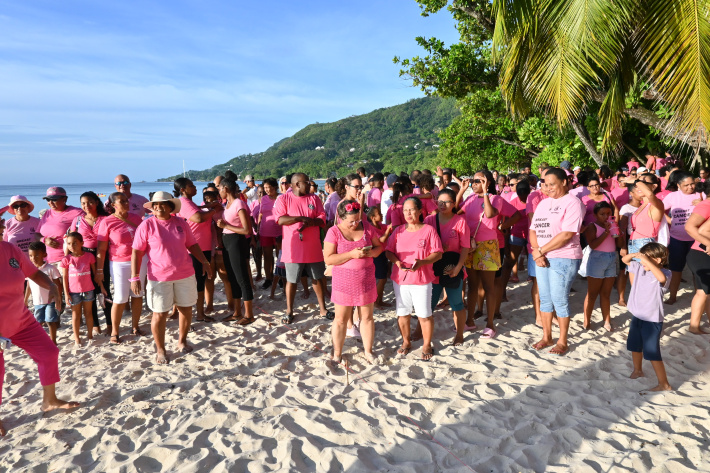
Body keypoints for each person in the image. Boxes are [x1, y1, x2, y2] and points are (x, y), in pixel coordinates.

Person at [0, 240, 80, 436]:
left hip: (20, 319)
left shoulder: (10, 249)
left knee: (48, 352)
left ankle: (50, 401)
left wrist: (51, 285)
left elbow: (33, 273)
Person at [131, 191, 212, 364]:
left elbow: (192, 244)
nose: (159, 207)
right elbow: (137, 252)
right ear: (152, 208)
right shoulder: (146, 225)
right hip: (159, 277)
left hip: (185, 273)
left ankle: (182, 341)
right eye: (155, 204)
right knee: (159, 313)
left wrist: (204, 261)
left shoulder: (181, 223)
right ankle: (160, 349)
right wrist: (135, 276)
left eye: (162, 204)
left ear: (170, 206)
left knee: (185, 308)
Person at [529, 168, 585, 355]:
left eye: (553, 183)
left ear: (564, 182)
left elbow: (567, 234)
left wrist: (541, 251)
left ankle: (562, 341)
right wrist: (537, 252)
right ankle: (547, 336)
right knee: (545, 299)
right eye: (545, 184)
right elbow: (533, 229)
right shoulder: (543, 204)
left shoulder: (573, 202)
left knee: (559, 299)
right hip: (542, 255)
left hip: (564, 256)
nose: (549, 187)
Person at [323, 200, 384, 364]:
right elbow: (328, 258)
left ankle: (368, 351)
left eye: (357, 219)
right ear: (341, 217)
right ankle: (337, 353)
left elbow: (380, 248)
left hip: (366, 280)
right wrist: (351, 254)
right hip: (343, 282)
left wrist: (370, 253)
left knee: (367, 317)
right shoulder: (334, 231)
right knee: (341, 320)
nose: (355, 223)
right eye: (351, 221)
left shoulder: (367, 227)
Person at [386, 197, 442, 360]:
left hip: (422, 279)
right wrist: (396, 261)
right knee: (403, 313)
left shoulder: (428, 230)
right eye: (405, 210)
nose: (408, 213)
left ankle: (426, 344)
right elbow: (389, 251)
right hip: (401, 279)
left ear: (420, 211)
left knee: (424, 314)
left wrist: (423, 262)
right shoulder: (398, 231)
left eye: (411, 210)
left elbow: (438, 253)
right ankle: (406, 342)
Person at [273, 173, 333, 324]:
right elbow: (280, 219)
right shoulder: (283, 199)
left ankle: (323, 309)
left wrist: (311, 222)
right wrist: (300, 219)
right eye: (307, 182)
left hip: (313, 246)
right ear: (297, 184)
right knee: (291, 280)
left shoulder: (314, 198)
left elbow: (322, 218)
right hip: (293, 248)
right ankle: (289, 311)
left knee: (317, 278)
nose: (310, 185)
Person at [96, 192, 146, 343]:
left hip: (140, 261)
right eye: (122, 201)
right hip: (119, 263)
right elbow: (101, 248)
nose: (126, 203)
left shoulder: (136, 218)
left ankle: (135, 326)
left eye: (126, 200)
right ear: (113, 205)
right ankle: (115, 332)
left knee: (138, 294)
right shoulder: (107, 222)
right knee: (120, 297)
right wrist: (99, 270)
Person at [457, 171, 502, 338]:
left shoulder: (496, 198)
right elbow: (455, 211)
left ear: (488, 182)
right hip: (471, 244)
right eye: (473, 181)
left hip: (488, 246)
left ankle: (490, 324)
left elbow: (490, 214)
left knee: (489, 286)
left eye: (478, 181)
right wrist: (462, 191)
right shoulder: (469, 199)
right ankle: (469, 321)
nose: (474, 183)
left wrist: (485, 193)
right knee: (472, 285)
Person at [622, 243, 672, 391]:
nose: (642, 262)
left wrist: (648, 261)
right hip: (637, 315)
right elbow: (625, 260)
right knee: (634, 346)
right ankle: (638, 370)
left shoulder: (666, 273)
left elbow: (661, 277)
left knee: (652, 352)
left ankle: (664, 384)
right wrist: (636, 255)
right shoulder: (639, 268)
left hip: (652, 320)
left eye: (647, 259)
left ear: (657, 260)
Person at [425, 188, 470, 345]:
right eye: (439, 202)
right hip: (433, 268)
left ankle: (459, 334)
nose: (442, 205)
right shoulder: (429, 220)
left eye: (446, 202)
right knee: (428, 304)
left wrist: (459, 267)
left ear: (454, 203)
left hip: (452, 266)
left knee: (456, 303)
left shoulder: (460, 221)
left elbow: (465, 247)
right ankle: (420, 331)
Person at [174, 178, 222, 322]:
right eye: (191, 186)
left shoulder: (189, 203)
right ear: (183, 189)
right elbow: (198, 217)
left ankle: (198, 312)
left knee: (200, 280)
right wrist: (213, 210)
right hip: (195, 248)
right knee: (197, 282)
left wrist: (208, 207)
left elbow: (196, 211)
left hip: (202, 246)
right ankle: (198, 313)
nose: (195, 188)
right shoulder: (184, 202)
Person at [216, 178, 256, 324]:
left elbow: (247, 229)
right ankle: (237, 312)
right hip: (228, 241)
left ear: (226, 188)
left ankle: (249, 314)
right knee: (232, 277)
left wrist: (226, 225)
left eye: (220, 189)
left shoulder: (239, 203)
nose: (219, 191)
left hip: (237, 241)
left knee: (242, 278)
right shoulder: (227, 204)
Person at [70, 191, 110, 335]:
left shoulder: (105, 218)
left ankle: (110, 324)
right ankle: (95, 325)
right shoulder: (78, 220)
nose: (87, 206)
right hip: (84, 256)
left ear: (97, 202)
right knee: (89, 291)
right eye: (83, 203)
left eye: (90, 202)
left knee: (104, 289)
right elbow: (71, 239)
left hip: (103, 256)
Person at [662, 171, 703, 304]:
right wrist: (670, 221)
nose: (690, 187)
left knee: (697, 271)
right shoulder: (672, 196)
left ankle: (700, 296)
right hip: (677, 239)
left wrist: (702, 204)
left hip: (696, 239)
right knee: (676, 269)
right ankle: (673, 296)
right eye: (686, 185)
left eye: (692, 184)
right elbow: (659, 210)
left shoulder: (700, 195)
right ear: (679, 185)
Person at [583, 202, 622, 331]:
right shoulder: (592, 226)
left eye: (608, 213)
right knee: (592, 293)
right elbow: (593, 245)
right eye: (602, 214)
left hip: (611, 258)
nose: (606, 216)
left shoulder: (612, 225)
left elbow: (619, 243)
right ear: (595, 215)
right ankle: (587, 321)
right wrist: (606, 232)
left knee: (606, 293)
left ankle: (607, 320)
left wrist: (617, 231)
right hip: (597, 259)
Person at [60, 232, 100, 346]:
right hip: (73, 292)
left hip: (88, 290)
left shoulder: (89, 256)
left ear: (82, 243)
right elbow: (65, 278)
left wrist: (101, 287)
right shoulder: (66, 259)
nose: (72, 246)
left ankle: (90, 335)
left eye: (75, 243)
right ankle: (77, 338)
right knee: (75, 315)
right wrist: (66, 294)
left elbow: (95, 273)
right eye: (69, 244)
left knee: (88, 313)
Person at [25, 241, 62, 345]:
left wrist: (59, 299)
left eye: (37, 255)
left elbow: (57, 285)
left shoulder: (51, 269)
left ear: (44, 255)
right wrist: (25, 299)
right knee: (38, 322)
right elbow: (28, 286)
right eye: (31, 255)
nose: (33, 258)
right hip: (37, 302)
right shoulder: (29, 270)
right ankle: (38, 341)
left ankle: (53, 341)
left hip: (51, 301)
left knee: (50, 321)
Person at [684, 196, 710, 334]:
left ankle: (694, 326)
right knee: (704, 292)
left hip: (698, 254)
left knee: (703, 292)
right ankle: (694, 327)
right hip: (702, 254)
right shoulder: (707, 204)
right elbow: (701, 231)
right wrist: (708, 243)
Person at [628, 180, 665, 256]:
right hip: (633, 243)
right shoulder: (642, 205)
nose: (638, 186)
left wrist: (636, 181)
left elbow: (650, 195)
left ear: (654, 186)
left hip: (645, 243)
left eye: (643, 184)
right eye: (637, 185)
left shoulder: (657, 204)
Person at [366, 205, 393, 308]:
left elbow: (389, 227)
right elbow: (380, 240)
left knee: (383, 278)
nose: (381, 215)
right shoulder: (371, 228)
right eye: (379, 214)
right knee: (381, 278)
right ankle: (376, 301)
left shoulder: (380, 225)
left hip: (383, 254)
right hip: (377, 255)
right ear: (373, 217)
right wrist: (388, 230)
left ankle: (379, 300)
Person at [257, 178, 281, 290]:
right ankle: (268, 278)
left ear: (275, 187)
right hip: (265, 231)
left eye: (269, 187)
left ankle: (280, 278)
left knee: (279, 256)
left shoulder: (281, 198)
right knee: (267, 256)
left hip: (279, 231)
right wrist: (257, 228)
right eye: (265, 188)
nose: (267, 190)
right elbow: (261, 214)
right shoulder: (264, 199)